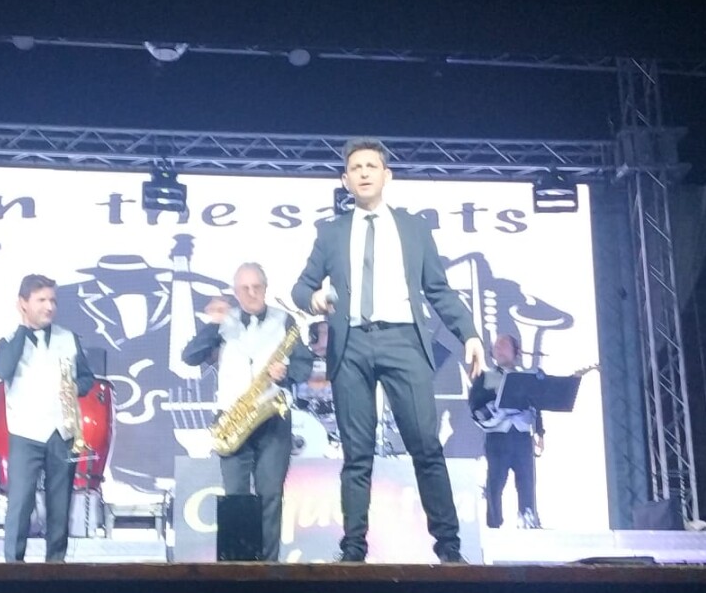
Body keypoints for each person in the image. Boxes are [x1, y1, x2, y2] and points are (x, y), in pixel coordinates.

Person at [292, 139, 485, 563]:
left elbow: (438, 289)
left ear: (387, 175)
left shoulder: (413, 228)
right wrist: (314, 299)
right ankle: (353, 549)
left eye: (371, 166)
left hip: (404, 342)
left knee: (426, 445)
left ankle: (450, 549)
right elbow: (301, 287)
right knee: (356, 454)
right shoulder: (331, 232)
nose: (363, 172)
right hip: (351, 345)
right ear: (345, 180)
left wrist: (469, 333)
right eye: (355, 167)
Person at [181, 263, 316, 561]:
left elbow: (304, 365)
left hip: (273, 417)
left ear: (266, 288)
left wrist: (287, 373)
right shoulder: (223, 322)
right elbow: (189, 356)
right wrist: (214, 325)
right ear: (235, 292)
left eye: (257, 287)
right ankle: (237, 569)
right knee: (236, 495)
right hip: (233, 417)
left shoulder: (285, 320)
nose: (252, 293)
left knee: (271, 495)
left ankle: (269, 569)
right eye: (245, 288)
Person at [0, 274, 96, 562]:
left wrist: (75, 387)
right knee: (20, 502)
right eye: (41, 300)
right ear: (23, 303)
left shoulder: (68, 338)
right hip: (25, 432)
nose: (49, 307)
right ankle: (13, 567)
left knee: (60, 504)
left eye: (53, 300)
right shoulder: (8, 341)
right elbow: (2, 370)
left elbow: (87, 378)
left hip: (62, 431)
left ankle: (56, 567)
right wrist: (22, 330)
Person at [468, 335, 546, 530]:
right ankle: (493, 523)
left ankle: (528, 518)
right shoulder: (485, 377)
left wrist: (540, 432)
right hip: (497, 437)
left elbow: (537, 407)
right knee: (495, 483)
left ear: (516, 351)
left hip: (521, 436)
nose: (500, 349)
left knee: (527, 481)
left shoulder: (527, 378)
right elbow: (475, 405)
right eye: (496, 346)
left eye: (504, 345)